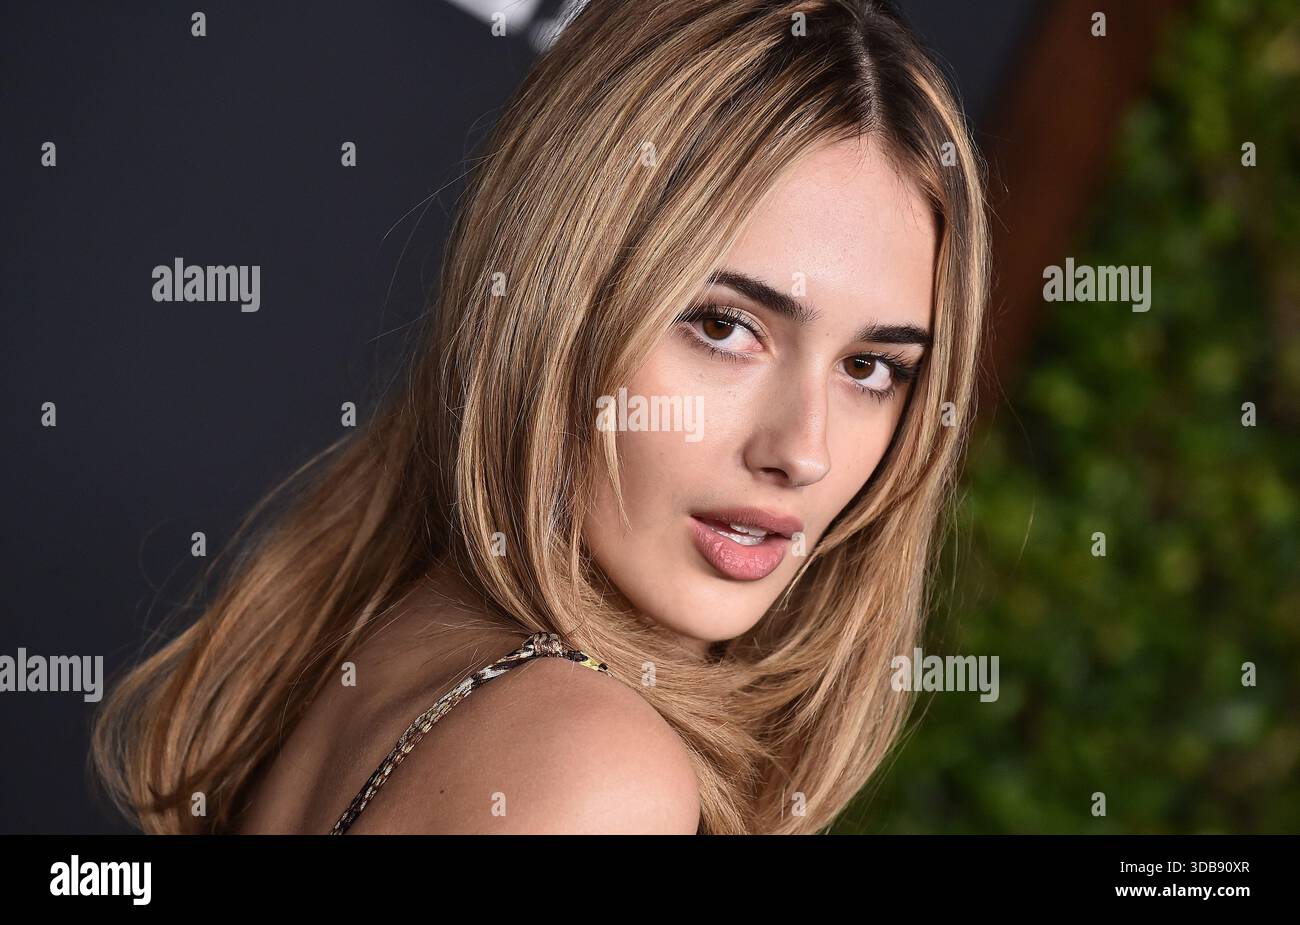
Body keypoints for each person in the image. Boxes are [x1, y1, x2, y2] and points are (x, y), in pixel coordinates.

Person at [91, 0, 989, 835]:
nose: (802, 450)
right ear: (559, 300)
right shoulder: (594, 768)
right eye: (724, 326)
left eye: (872, 368)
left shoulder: (394, 636)